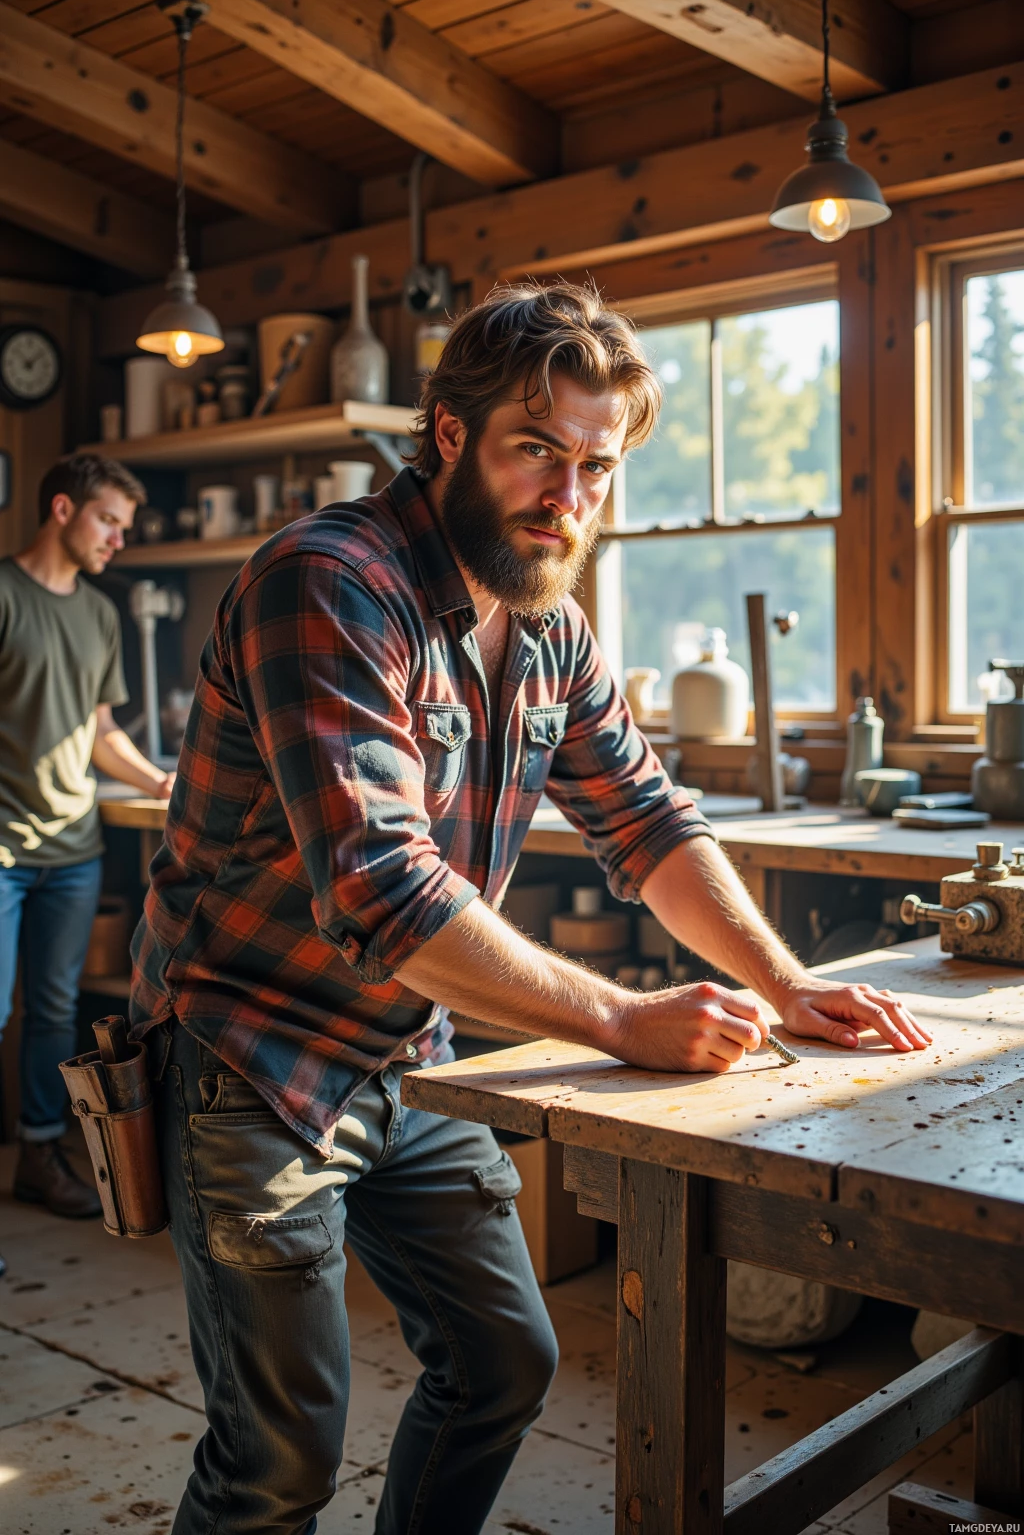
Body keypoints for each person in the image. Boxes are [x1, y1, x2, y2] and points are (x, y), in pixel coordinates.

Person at [130, 283, 930, 1535]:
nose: (569, 496)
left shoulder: (547, 623)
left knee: (505, 1361)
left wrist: (786, 985)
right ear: (449, 435)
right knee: (278, 1457)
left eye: (597, 467)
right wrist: (622, 1018)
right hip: (253, 1061)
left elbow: (649, 821)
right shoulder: (330, 581)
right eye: (536, 452)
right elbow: (384, 889)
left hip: (411, 1049)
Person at [0, 453, 174, 1220]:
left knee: (53, 1010)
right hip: (2, 850)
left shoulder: (101, 614)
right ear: (63, 510)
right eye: (108, 521)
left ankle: (40, 1154)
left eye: (125, 528)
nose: (117, 541)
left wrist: (163, 784)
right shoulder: (4, 594)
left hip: (72, 850)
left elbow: (100, 732)